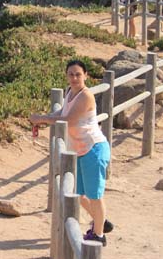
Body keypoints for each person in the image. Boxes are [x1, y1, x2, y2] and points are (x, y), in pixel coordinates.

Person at [30, 60, 113, 246]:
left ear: (86, 76)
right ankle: (100, 220)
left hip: (93, 149)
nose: (74, 78)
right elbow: (63, 111)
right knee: (79, 194)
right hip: (81, 150)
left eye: (78, 74)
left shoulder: (85, 96)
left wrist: (42, 119)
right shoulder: (70, 92)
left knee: (95, 195)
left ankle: (99, 234)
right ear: (66, 75)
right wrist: (43, 118)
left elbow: (69, 120)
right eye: (71, 74)